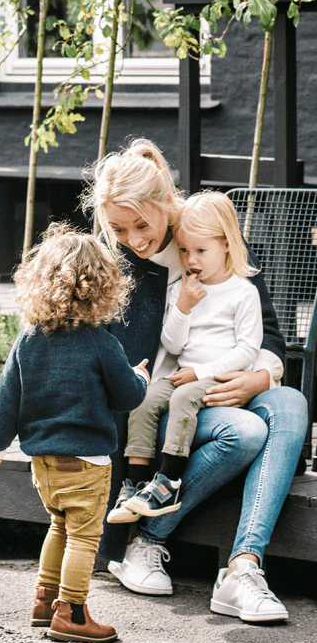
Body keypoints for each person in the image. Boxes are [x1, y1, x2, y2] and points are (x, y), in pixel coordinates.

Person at [84, 139, 308, 622]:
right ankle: (146, 542)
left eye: (143, 225)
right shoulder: (116, 265)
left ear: (169, 205)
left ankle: (243, 569)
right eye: (119, 229)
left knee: (288, 402)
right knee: (245, 433)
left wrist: (258, 377)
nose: (134, 239)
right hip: (158, 410)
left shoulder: (208, 233)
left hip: (220, 391)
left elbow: (268, 336)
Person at [0, 223, 149, 643]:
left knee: (59, 525)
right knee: (84, 536)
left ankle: (44, 599)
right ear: (103, 288)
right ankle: (71, 613)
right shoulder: (100, 342)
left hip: (43, 465)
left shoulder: (29, 339)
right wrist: (140, 376)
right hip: (87, 462)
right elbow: (127, 396)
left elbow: (7, 400)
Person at [109, 192, 262, 523]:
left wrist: (202, 371)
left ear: (226, 245)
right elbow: (173, 345)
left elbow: (248, 350)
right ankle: (133, 484)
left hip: (217, 376)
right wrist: (183, 308)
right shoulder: (184, 288)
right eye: (184, 250)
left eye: (201, 251)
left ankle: (169, 480)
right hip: (184, 372)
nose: (191, 260)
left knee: (182, 399)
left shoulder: (243, 292)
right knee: (145, 399)